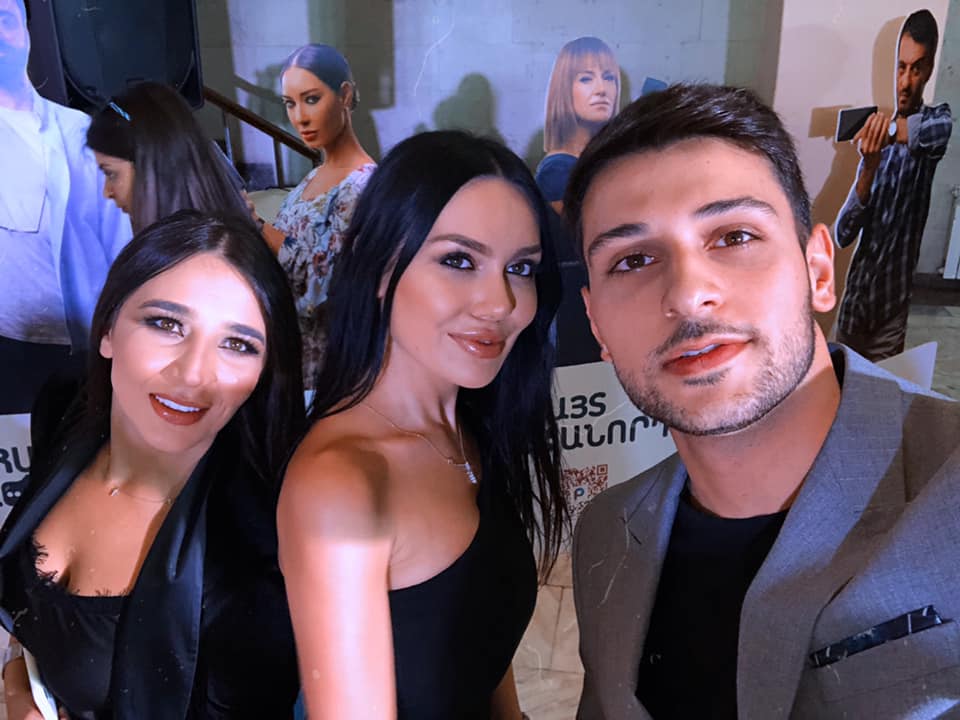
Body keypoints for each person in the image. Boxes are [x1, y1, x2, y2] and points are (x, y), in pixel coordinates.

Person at [563, 84, 960, 719]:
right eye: (633, 260)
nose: (687, 294)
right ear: (597, 326)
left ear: (819, 271)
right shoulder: (607, 534)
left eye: (734, 236)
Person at [278, 130, 567, 720]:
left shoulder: (470, 427)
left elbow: (484, 650)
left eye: (520, 268)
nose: (500, 303)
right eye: (459, 261)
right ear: (382, 267)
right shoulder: (341, 484)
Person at [0, 212, 304, 719]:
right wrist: (16, 683)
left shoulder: (254, 564)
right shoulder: (65, 408)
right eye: (166, 324)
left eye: (237, 344)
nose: (194, 374)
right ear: (108, 330)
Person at [0, 0, 131, 414]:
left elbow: (119, 240)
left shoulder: (78, 131)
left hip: (85, 343)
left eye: (4, 20)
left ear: (26, 31)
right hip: (8, 346)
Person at [835, 9, 952, 361]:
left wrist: (882, 130)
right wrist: (868, 167)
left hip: (891, 312)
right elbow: (843, 232)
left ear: (929, 70)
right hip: (855, 306)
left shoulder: (935, 122)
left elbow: (933, 133)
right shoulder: (876, 147)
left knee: (882, 391)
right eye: (901, 68)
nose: (905, 81)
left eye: (916, 68)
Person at [259, 43, 376, 386]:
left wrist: (257, 226)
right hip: (287, 355)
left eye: (311, 99)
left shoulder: (364, 185)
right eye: (290, 103)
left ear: (344, 95)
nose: (300, 117)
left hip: (326, 370)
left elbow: (324, 288)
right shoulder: (312, 177)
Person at [85, 81, 252, 234]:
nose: (106, 192)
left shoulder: (197, 251)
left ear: (153, 167)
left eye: (110, 174)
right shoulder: (222, 233)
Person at [535, 36, 620, 213]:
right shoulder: (558, 172)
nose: (602, 89)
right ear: (564, 89)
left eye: (608, 77)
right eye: (586, 79)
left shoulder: (602, 159)